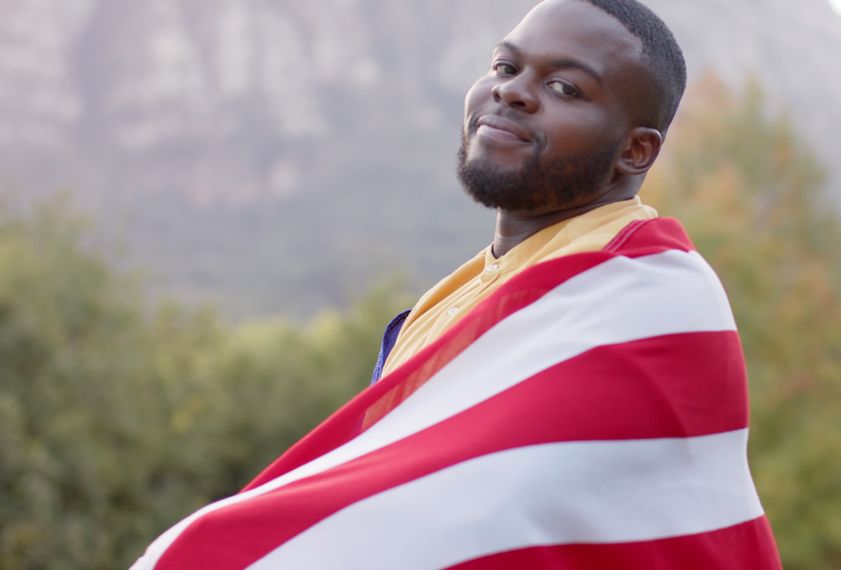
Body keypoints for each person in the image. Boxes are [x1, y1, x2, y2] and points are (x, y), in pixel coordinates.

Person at [133, 0, 782, 568]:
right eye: (506, 68)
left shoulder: (654, 300)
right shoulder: (451, 300)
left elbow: (476, 515)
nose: (514, 92)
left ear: (635, 152)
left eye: (564, 88)